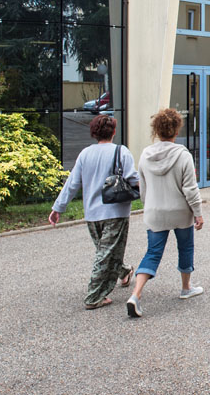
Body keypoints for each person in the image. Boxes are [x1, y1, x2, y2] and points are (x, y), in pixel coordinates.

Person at [49, 114, 138, 310]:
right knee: (105, 253)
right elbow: (133, 178)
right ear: (114, 131)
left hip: (92, 213)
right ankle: (94, 296)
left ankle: (122, 273)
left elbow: (72, 184)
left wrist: (58, 208)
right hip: (116, 211)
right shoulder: (121, 151)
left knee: (104, 251)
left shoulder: (85, 154)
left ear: (94, 133)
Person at [127, 108, 204, 318]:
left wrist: (148, 205)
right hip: (180, 212)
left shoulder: (145, 155)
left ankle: (136, 294)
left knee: (152, 253)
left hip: (155, 212)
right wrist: (198, 213)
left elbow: (142, 187)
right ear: (176, 130)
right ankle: (186, 288)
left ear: (156, 131)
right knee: (185, 247)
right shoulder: (183, 155)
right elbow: (190, 188)